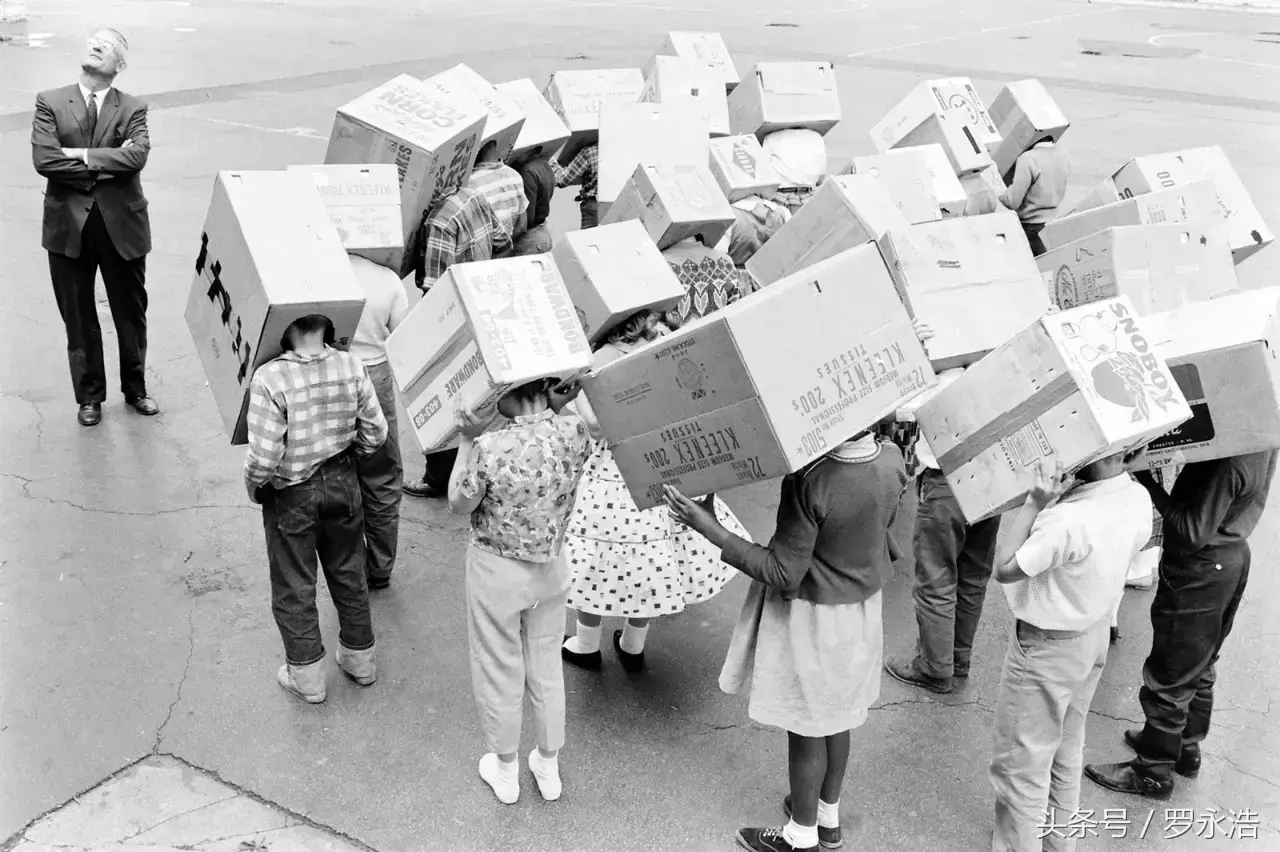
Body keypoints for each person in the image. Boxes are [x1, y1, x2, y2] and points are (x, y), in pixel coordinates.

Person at [664, 424, 908, 852]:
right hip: (860, 612)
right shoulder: (891, 459)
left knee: (806, 726)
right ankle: (826, 816)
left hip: (812, 619)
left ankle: (801, 834)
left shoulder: (810, 479)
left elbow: (782, 571)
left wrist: (710, 528)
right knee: (839, 716)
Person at [559, 310, 750, 672]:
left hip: (613, 471)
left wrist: (578, 389)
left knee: (598, 557)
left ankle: (586, 644)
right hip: (662, 461)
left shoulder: (600, 358)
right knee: (652, 556)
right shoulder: (666, 341)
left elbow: (597, 426)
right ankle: (633, 644)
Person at [1084, 450, 1277, 800]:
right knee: (1201, 665)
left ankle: (1153, 771)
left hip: (1200, 571)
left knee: (1170, 673)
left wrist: (1145, 480)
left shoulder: (1228, 460)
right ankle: (1186, 748)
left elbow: (1191, 531)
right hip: (1230, 558)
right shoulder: (1260, 433)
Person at [989, 453, 1151, 852]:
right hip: (1091, 636)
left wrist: (1033, 503)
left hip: (1048, 648)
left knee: (1022, 766)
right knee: (1066, 751)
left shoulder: (1068, 519)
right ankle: (1059, 844)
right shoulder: (1136, 496)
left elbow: (1006, 566)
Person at [448, 379, 596, 805]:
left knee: (500, 667)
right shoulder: (575, 433)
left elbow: (459, 502)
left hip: (497, 571)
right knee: (546, 667)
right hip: (550, 568)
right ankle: (548, 766)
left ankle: (506, 770)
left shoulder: (490, 447)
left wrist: (465, 440)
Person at [243, 314, 389, 704]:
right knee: (348, 570)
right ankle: (360, 660)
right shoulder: (350, 363)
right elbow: (376, 431)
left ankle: (307, 677)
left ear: (284, 328)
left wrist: (255, 485)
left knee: (294, 583)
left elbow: (264, 455)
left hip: (292, 492)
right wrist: (348, 459)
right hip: (343, 479)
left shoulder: (270, 378)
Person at [31, 27, 159, 427]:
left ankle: (135, 389)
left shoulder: (133, 107)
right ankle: (89, 397)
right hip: (67, 226)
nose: (97, 44)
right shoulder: (50, 101)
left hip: (122, 225)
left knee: (130, 311)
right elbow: (45, 162)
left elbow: (136, 157)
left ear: (119, 65)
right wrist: (107, 162)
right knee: (78, 313)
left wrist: (82, 154)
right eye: (94, 40)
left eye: (108, 43)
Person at [884, 368, 1001, 695]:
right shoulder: (995, 349)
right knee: (973, 575)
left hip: (947, 480)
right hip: (993, 477)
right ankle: (958, 660)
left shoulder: (942, 359)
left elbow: (901, 408)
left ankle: (935, 668)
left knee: (937, 576)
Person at [403, 184, 503, 500]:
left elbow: (434, 288)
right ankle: (479, 465)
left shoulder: (439, 223)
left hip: (454, 316)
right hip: (483, 301)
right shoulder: (473, 196)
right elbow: (502, 238)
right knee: (480, 391)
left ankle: (439, 477)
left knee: (445, 396)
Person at [347, 257, 409, 590]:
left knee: (337, 472)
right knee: (381, 474)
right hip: (376, 374)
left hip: (329, 374)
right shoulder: (386, 279)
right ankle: (381, 566)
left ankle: (347, 564)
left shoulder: (319, 271)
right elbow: (402, 338)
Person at [999, 137, 1070, 257]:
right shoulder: (1063, 155)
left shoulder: (1027, 159)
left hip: (1030, 227)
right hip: (1054, 223)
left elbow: (1012, 202)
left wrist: (998, 192)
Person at [466, 140, 529, 258]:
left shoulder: (470, 184)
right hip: (502, 254)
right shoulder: (515, 175)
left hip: (480, 258)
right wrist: (503, 248)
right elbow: (522, 226)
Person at [510, 145, 556, 255]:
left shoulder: (527, 171)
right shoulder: (545, 164)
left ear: (530, 150)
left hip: (530, 240)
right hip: (543, 232)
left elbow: (527, 218)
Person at [551, 143, 600, 230]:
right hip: (617, 203)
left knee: (590, 242)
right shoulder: (626, 149)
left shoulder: (589, 152)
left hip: (594, 209)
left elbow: (562, 180)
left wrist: (552, 164)